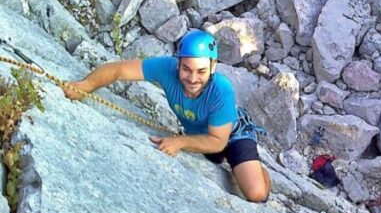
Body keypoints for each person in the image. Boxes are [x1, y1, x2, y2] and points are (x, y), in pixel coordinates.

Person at [64, 29, 271, 202]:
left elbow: (218, 142)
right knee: (215, 159)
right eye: (186, 69)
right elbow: (119, 69)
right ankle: (241, 167)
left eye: (201, 71)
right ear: (178, 62)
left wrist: (180, 142)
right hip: (201, 133)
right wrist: (87, 85)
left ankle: (258, 169)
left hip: (233, 136)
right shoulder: (167, 68)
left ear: (213, 66)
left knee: (256, 194)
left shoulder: (221, 90)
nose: (192, 78)